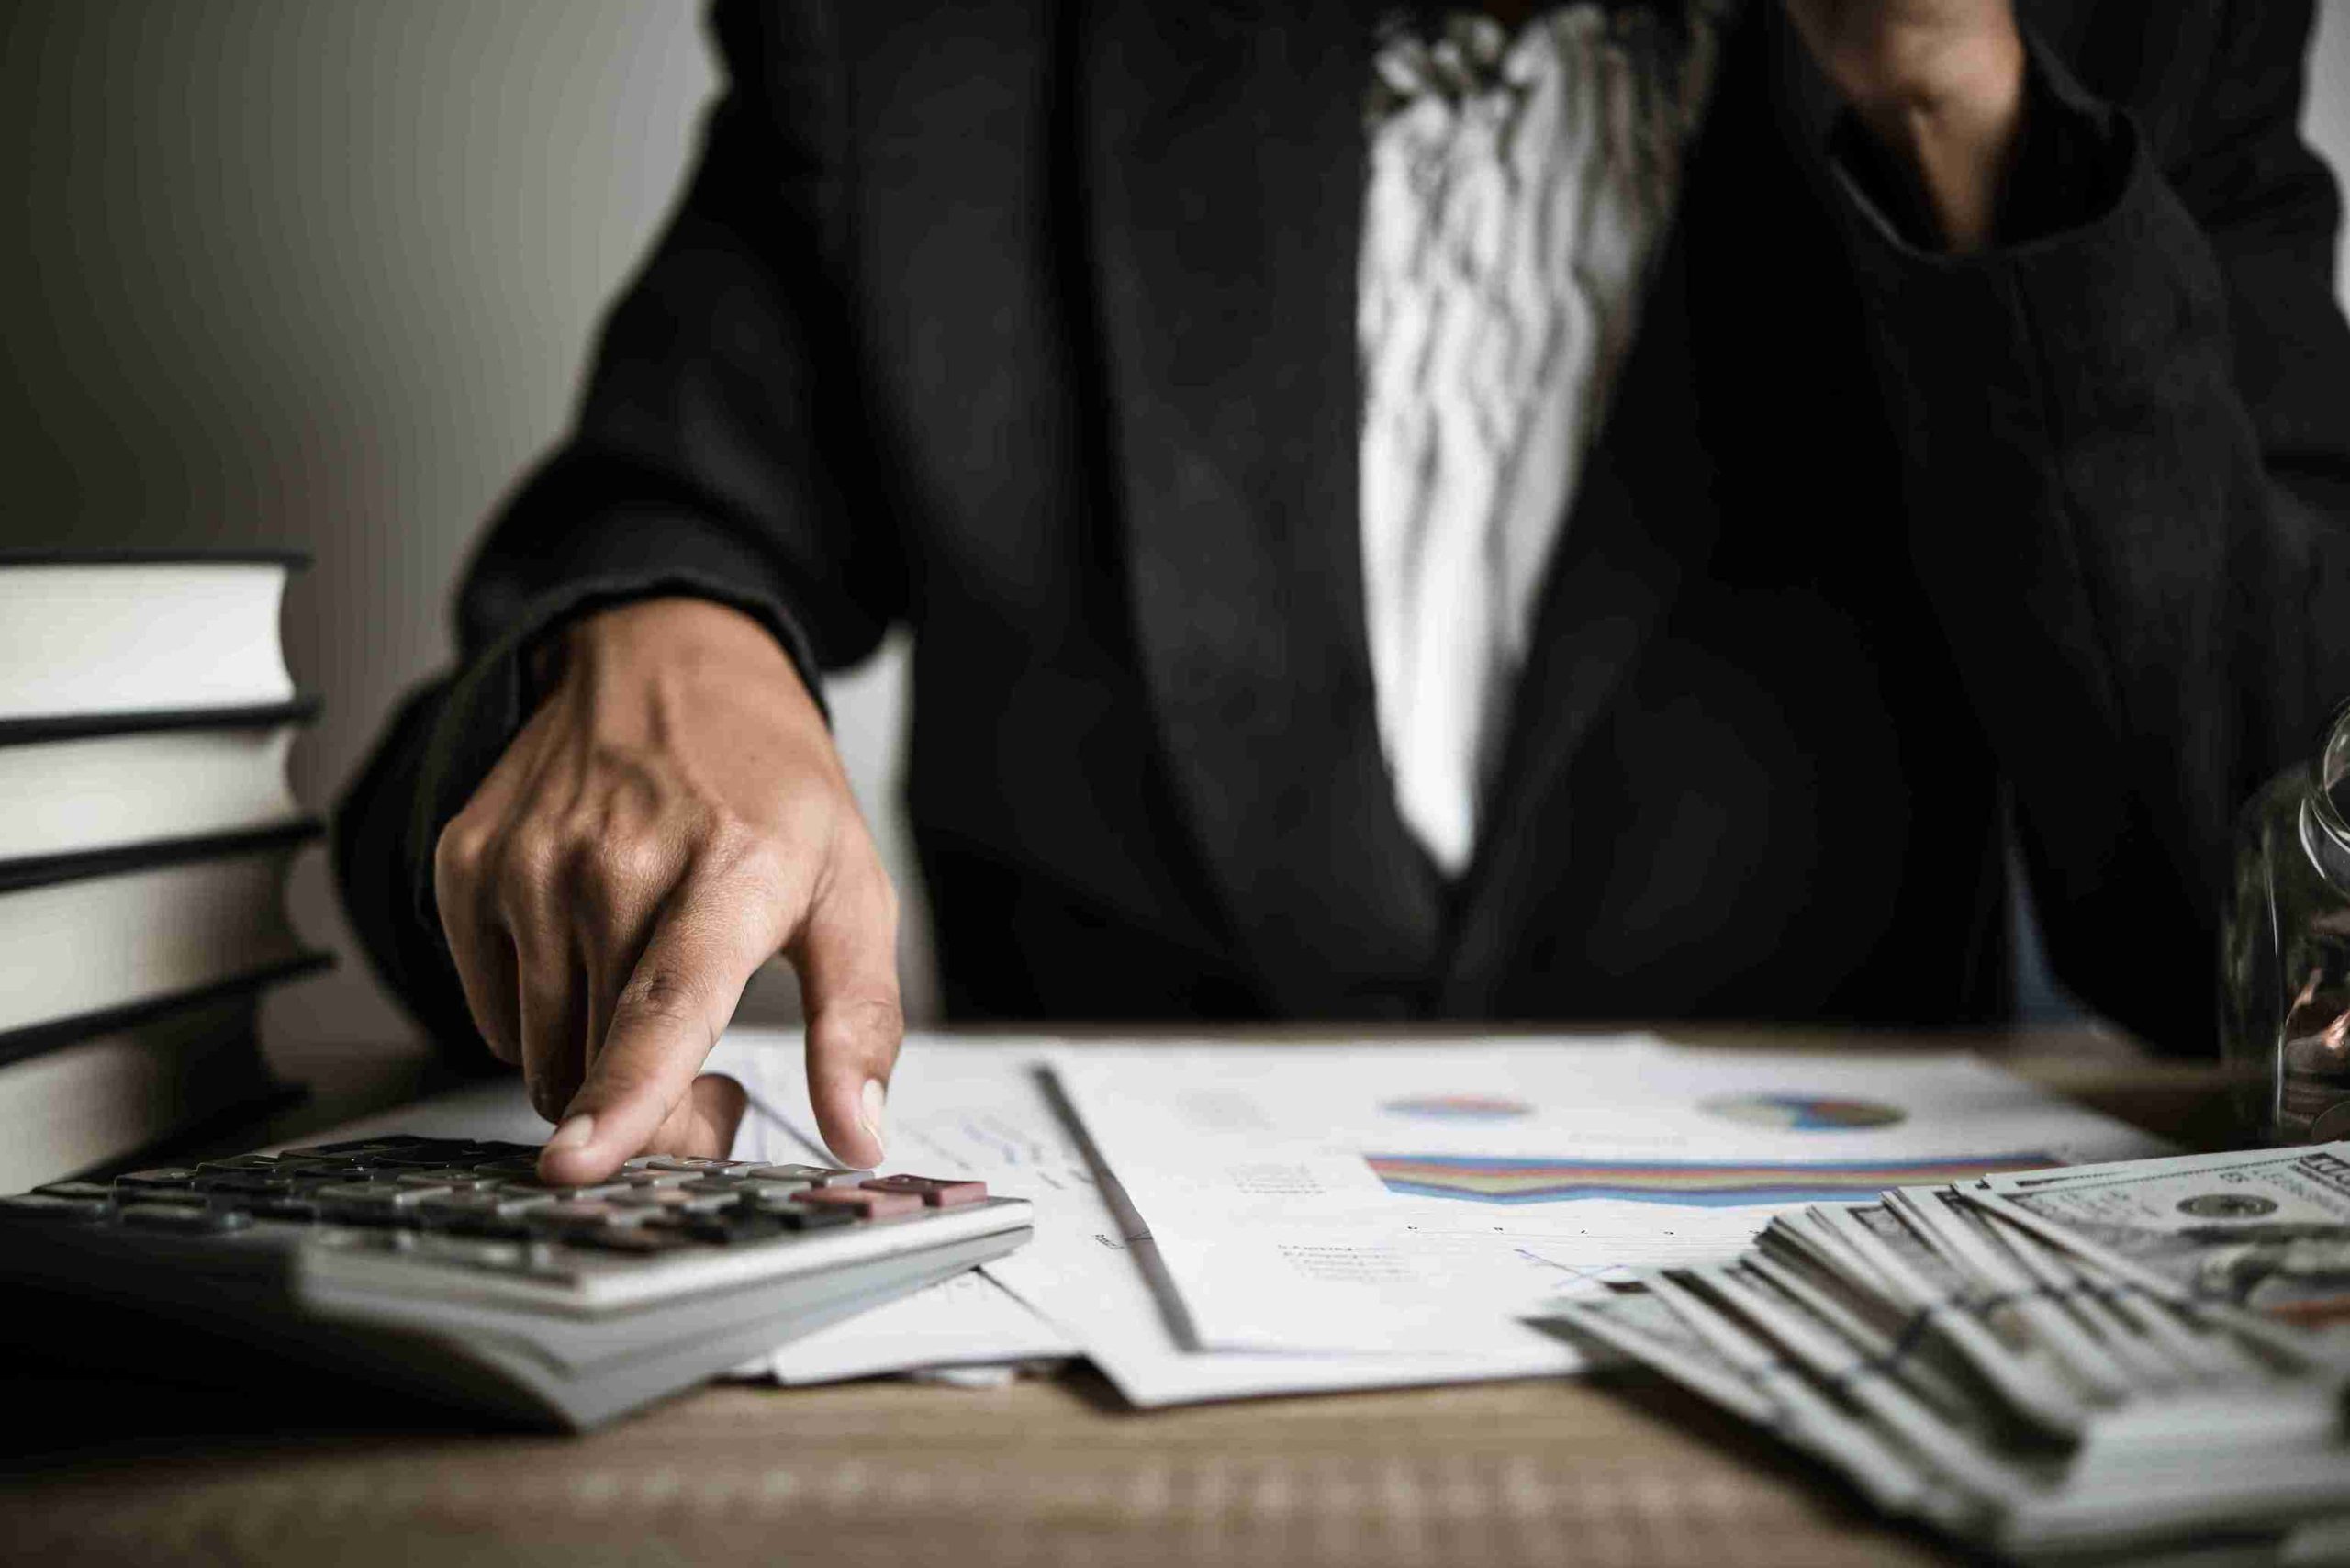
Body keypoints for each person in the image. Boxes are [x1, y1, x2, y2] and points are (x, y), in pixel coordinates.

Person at [335, 0, 2350, 1188]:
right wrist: (655, 633)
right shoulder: (919, 40)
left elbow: (2261, 950)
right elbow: (447, 809)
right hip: (1068, 1451)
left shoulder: (2140, 25)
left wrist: (1957, 100)